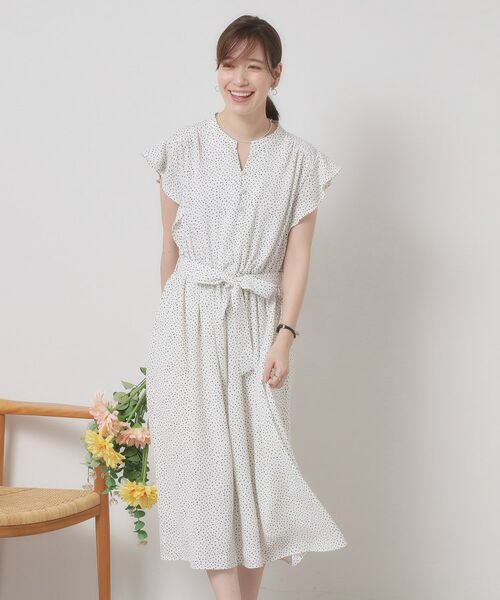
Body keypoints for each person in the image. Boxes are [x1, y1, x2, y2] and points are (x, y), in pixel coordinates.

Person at [141, 14, 347, 600]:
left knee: (258, 476)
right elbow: (170, 249)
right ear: (217, 71)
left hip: (259, 324)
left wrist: (285, 335)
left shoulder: (302, 161)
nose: (240, 78)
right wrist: (171, 332)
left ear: (275, 74)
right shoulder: (182, 148)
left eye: (253, 66)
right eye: (229, 65)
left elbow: (298, 258)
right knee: (206, 475)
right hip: (190, 324)